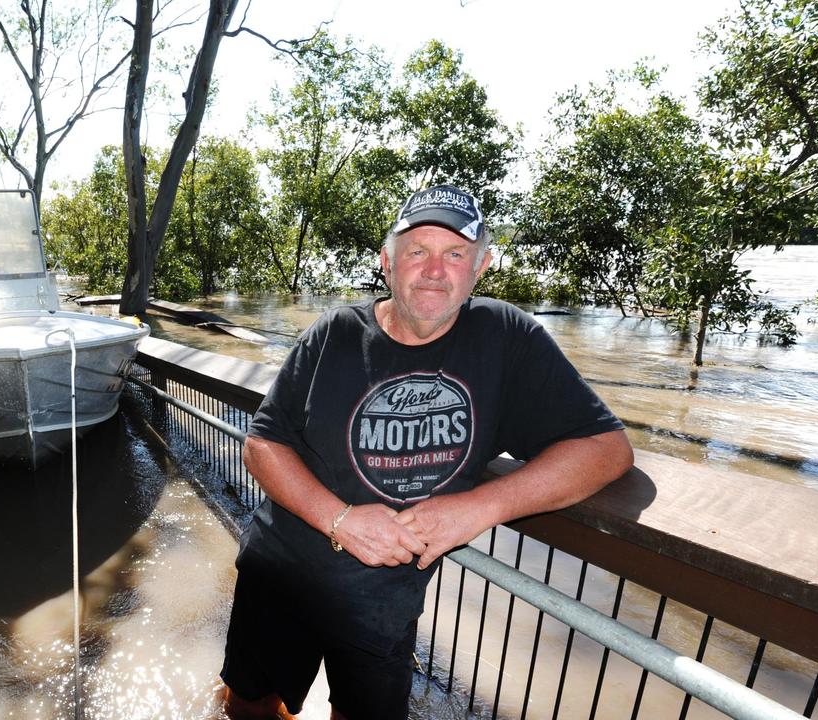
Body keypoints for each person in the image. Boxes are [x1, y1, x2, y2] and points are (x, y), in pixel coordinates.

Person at [219, 184, 634, 720]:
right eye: (417, 251)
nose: (435, 270)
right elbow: (262, 445)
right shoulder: (336, 332)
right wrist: (341, 520)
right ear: (387, 263)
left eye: (455, 253)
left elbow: (606, 449)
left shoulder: (506, 338)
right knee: (247, 707)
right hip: (280, 570)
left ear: (480, 267)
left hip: (384, 601)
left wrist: (479, 508)